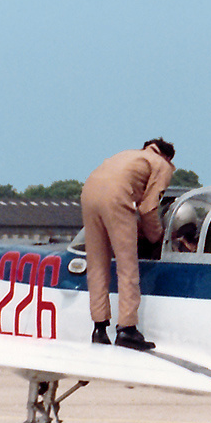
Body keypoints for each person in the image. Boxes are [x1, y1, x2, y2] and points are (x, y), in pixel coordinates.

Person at [80, 138, 176, 350]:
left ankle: (99, 329)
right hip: (117, 198)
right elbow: (149, 208)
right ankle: (127, 329)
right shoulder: (161, 165)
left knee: (96, 263)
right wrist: (156, 237)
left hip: (88, 193)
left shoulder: (126, 155)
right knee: (127, 266)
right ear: (167, 156)